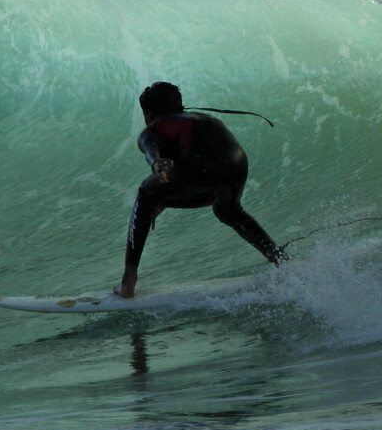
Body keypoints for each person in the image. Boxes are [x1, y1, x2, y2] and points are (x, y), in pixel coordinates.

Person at [115, 81, 285, 298]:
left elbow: (150, 148)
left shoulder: (154, 128)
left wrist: (157, 164)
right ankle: (281, 259)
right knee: (227, 211)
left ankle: (128, 281)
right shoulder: (206, 118)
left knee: (146, 192)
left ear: (148, 112)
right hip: (237, 163)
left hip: (201, 165)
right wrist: (165, 200)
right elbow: (205, 186)